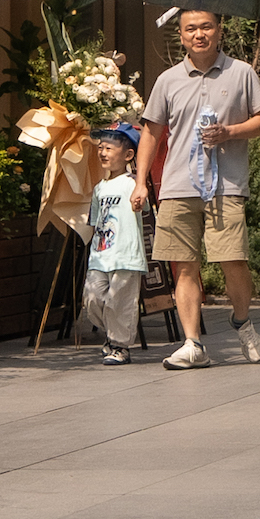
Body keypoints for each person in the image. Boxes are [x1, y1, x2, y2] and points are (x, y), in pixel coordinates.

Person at [133, 5, 260, 369]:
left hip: (225, 185)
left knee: (233, 259)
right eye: (191, 29)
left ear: (218, 31)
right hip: (178, 185)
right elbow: (151, 132)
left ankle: (242, 319)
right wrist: (140, 182)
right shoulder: (167, 80)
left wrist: (230, 132)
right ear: (181, 37)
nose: (199, 34)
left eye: (206, 27)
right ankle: (193, 342)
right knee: (184, 265)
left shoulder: (241, 73)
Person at [84, 120, 148, 360]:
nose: (102, 152)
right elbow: (95, 221)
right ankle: (112, 335)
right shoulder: (99, 187)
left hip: (126, 256)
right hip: (100, 255)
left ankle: (120, 346)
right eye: (101, 147)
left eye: (109, 148)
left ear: (128, 154)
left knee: (120, 302)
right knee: (92, 299)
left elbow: (143, 206)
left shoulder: (132, 183)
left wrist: (139, 201)